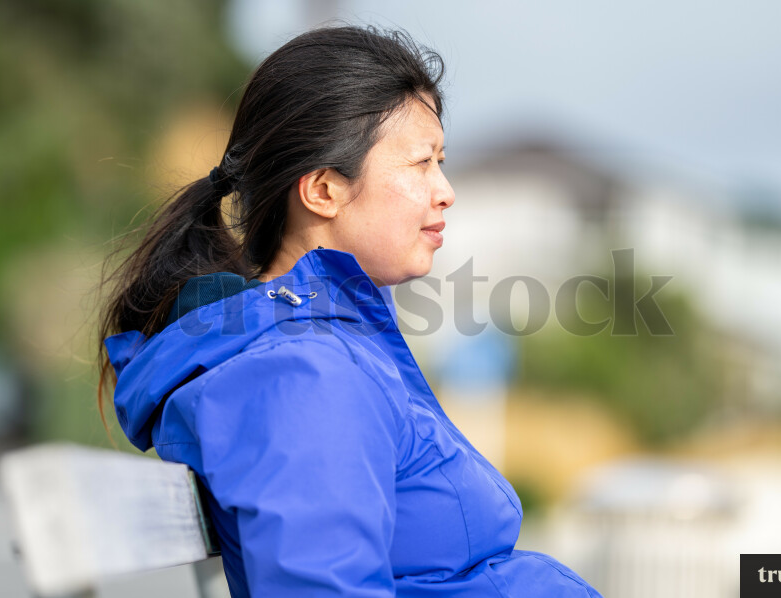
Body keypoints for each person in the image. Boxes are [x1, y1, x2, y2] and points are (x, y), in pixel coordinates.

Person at [98, 25, 603, 598]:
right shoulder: (303, 373)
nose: (446, 190)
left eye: (441, 161)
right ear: (322, 191)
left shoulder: (325, 346)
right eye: (420, 164)